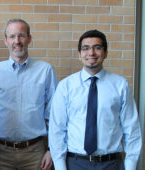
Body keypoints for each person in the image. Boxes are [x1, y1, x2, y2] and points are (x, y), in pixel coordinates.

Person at [49, 30, 142, 170]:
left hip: (111, 164)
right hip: (75, 163)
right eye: (85, 48)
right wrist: (60, 167)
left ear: (105, 53)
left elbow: (132, 129)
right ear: (79, 55)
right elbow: (57, 129)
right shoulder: (65, 86)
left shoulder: (120, 85)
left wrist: (130, 166)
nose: (91, 53)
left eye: (97, 48)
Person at [0, 18, 56, 170]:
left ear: (29, 38)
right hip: (0, 152)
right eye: (12, 36)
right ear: (5, 40)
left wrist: (51, 150)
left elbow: (54, 114)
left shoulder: (45, 71)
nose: (17, 41)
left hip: (35, 152)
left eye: (21, 35)